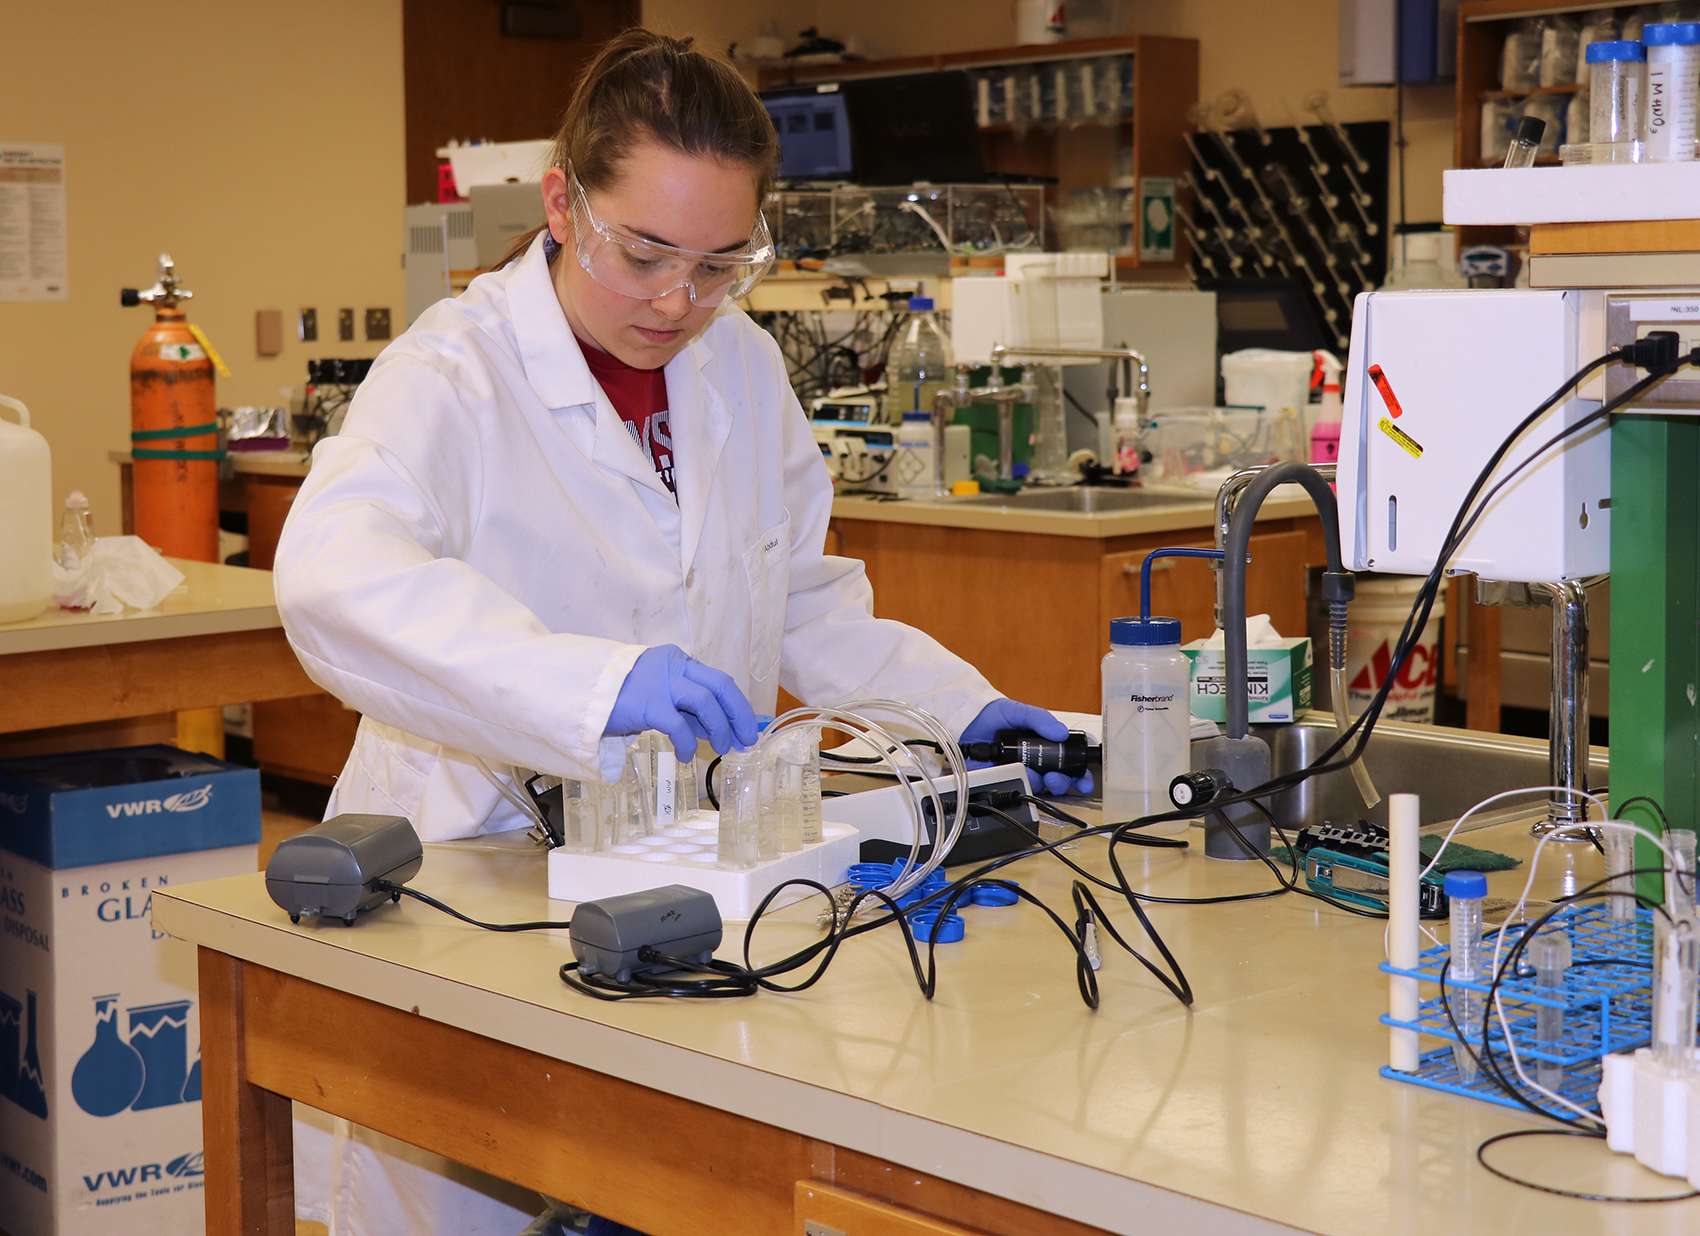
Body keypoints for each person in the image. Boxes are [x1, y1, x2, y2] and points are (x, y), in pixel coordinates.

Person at [273, 28, 1091, 1234]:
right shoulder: (452, 374)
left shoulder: (740, 371)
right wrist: (593, 685)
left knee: (656, 1185)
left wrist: (955, 710)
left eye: (720, 265)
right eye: (644, 252)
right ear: (562, 202)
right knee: (467, 1193)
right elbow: (333, 576)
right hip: (467, 867)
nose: (676, 301)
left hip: (668, 879)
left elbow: (799, 595)